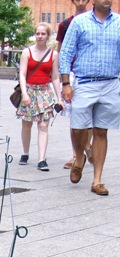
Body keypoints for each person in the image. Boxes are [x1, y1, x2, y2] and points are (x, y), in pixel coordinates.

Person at [59, 0, 120, 195]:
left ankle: (97, 180)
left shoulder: (118, 22)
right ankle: (79, 157)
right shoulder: (80, 22)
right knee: (78, 128)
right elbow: (66, 53)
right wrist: (66, 83)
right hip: (84, 82)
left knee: (101, 131)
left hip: (110, 83)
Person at [16, 23, 63, 171]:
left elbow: (55, 77)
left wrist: (59, 97)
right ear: (35, 35)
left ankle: (42, 158)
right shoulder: (27, 52)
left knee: (43, 125)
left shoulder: (53, 54)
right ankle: (25, 152)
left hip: (45, 92)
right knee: (27, 124)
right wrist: (24, 93)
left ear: (48, 36)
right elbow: (22, 74)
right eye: (38, 33)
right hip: (29, 90)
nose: (40, 36)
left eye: (43, 34)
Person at [57, 0, 93, 170]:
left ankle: (86, 147)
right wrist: (61, 78)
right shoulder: (65, 24)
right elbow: (61, 50)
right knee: (75, 114)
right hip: (71, 73)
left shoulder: (96, 21)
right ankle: (77, 154)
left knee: (91, 115)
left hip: (90, 73)